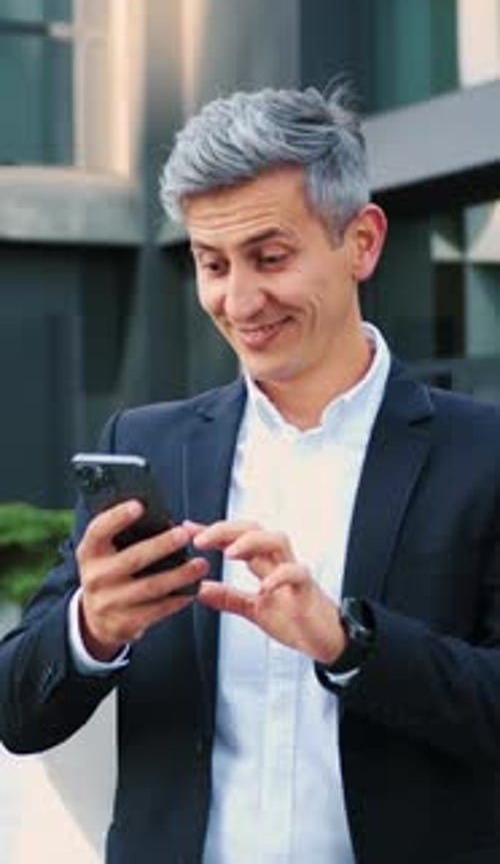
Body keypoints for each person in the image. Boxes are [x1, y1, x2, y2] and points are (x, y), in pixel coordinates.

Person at [1, 85, 500, 864]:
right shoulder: (147, 445)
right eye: (211, 264)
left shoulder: (484, 453)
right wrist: (92, 629)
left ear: (362, 241)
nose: (239, 300)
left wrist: (349, 644)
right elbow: (17, 713)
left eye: (270, 257)